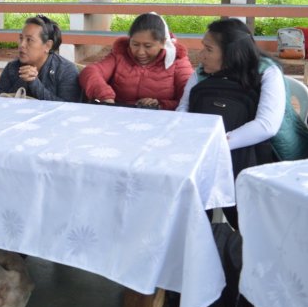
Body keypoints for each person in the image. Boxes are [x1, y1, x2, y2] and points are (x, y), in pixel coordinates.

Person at [178, 19, 308, 224]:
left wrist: (216, 145)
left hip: (265, 154)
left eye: (208, 49)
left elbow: (266, 126)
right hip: (210, 151)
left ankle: (242, 229)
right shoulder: (202, 72)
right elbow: (183, 112)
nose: (201, 55)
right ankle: (201, 229)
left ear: (231, 53)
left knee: (232, 163)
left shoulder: (267, 71)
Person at [79, 12, 193, 109]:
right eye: (135, 44)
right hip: (118, 114)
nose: (140, 52)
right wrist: (105, 96)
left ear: (163, 43)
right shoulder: (120, 54)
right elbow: (90, 72)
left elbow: (189, 97)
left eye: (148, 46)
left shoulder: (177, 61)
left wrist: (160, 104)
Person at [0, 15, 81, 101]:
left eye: (29, 40)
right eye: (21, 38)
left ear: (47, 46)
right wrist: (23, 81)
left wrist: (34, 84)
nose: (22, 45)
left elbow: (68, 109)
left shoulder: (66, 71)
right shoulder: (12, 68)